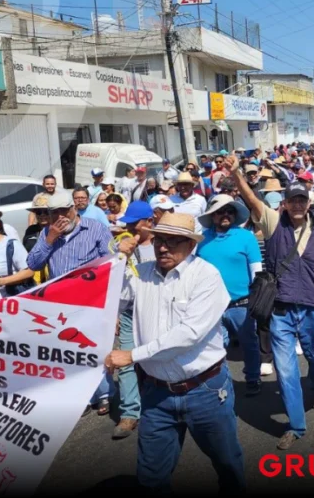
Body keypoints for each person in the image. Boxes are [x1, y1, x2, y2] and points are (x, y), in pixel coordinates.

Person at [104, 213, 245, 492]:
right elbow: (109, 300)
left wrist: (132, 355)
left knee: (227, 463)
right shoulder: (141, 273)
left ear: (191, 245)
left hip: (204, 390)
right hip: (157, 394)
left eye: (173, 241)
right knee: (151, 476)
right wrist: (119, 260)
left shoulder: (206, 276)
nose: (163, 247)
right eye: (159, 240)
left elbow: (188, 335)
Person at [228, 153, 314, 451]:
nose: (297, 205)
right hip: (281, 309)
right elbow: (252, 201)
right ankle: (296, 425)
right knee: (286, 370)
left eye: (302, 200)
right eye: (292, 200)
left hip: (312, 305)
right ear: (284, 203)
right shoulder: (274, 223)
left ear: (309, 203)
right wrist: (237, 174)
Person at [27, 191, 115, 417]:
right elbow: (33, 264)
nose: (60, 217)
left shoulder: (95, 228)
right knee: (70, 352)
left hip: (92, 300)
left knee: (94, 348)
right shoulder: (48, 233)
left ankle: (104, 394)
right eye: (54, 213)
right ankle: (83, 396)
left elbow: (111, 262)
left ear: (74, 209)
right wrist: (49, 240)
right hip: (61, 305)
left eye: (64, 211)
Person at [196, 194, 263, 396]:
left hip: (240, 303)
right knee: (214, 347)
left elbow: (256, 270)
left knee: (250, 344)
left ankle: (253, 378)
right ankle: (220, 381)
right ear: (212, 215)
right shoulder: (201, 239)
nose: (225, 215)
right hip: (211, 305)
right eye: (220, 211)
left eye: (229, 211)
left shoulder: (246, 237)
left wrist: (256, 298)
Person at [106, 201, 156, 440]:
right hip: (128, 310)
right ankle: (129, 413)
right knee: (124, 361)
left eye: (137, 223)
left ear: (149, 222)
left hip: (156, 309)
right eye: (129, 223)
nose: (132, 227)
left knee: (156, 355)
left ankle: (162, 404)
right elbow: (112, 281)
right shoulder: (118, 244)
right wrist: (121, 254)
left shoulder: (163, 243)